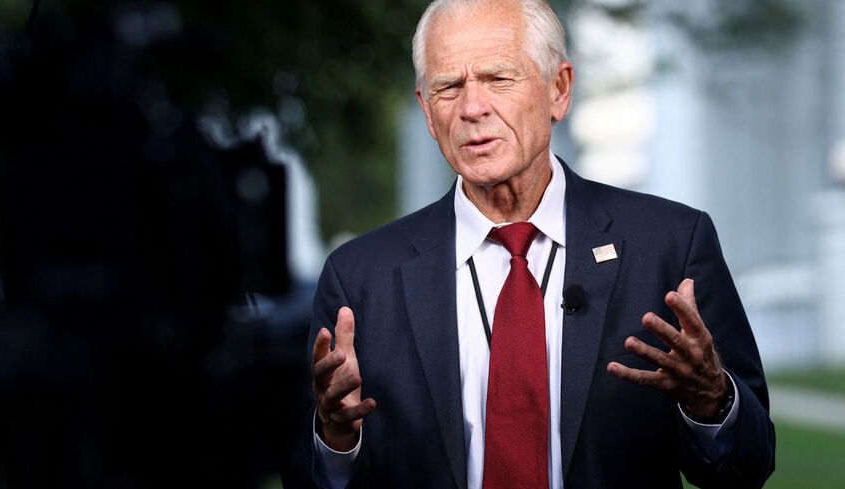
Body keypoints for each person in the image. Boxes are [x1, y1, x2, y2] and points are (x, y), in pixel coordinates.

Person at [284, 0, 775, 488]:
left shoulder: (670, 245)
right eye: (449, 87)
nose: (472, 108)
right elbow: (305, 475)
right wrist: (336, 440)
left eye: (498, 78)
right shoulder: (360, 279)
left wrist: (713, 400)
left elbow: (748, 466)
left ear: (558, 90)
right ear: (428, 112)